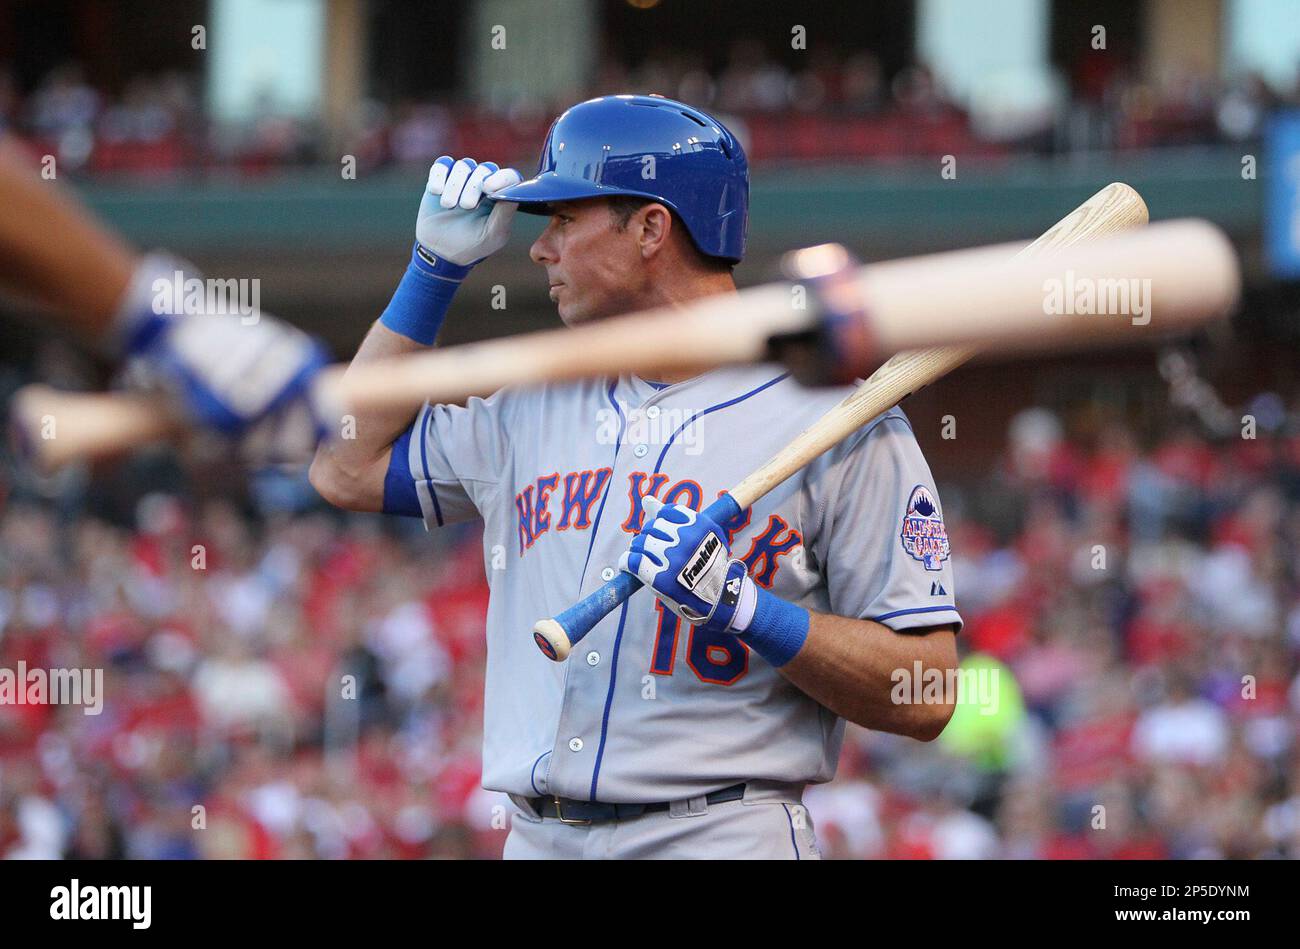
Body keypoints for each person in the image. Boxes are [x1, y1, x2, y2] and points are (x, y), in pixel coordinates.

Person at [310, 94, 961, 859]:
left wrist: (751, 610)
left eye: (563, 219)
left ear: (651, 227)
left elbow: (929, 689)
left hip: (717, 832)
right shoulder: (534, 400)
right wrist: (431, 274)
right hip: (536, 835)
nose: (539, 249)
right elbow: (342, 466)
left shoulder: (839, 422)